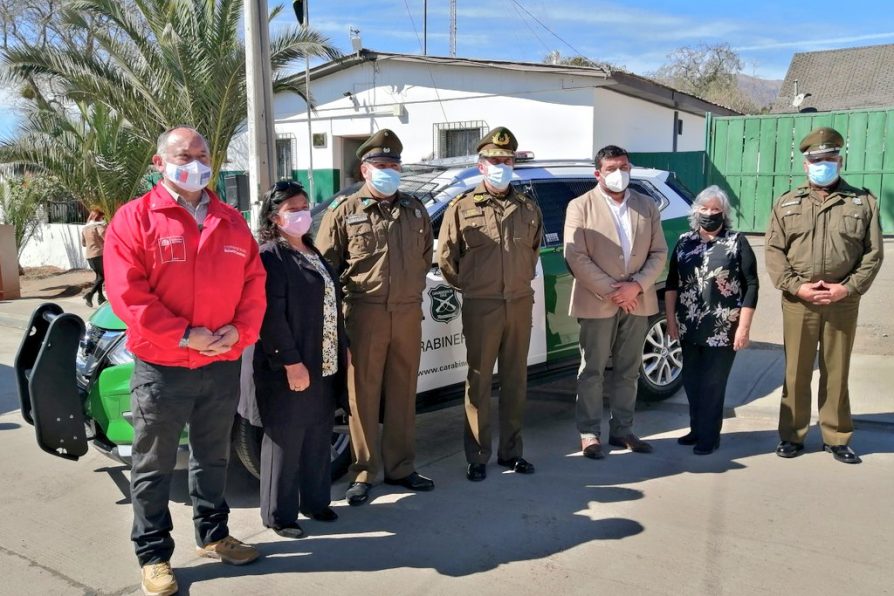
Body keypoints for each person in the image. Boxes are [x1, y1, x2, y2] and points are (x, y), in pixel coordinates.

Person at [104, 127, 266, 596]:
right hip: (163, 366)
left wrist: (239, 331)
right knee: (153, 464)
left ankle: (213, 535)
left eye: (201, 154)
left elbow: (254, 285)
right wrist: (182, 335)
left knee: (213, 456)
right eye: (183, 154)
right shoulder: (135, 220)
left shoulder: (231, 221)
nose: (194, 162)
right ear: (160, 163)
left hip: (220, 363)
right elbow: (127, 294)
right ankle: (153, 555)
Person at [317, 129, 435, 506]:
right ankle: (364, 471)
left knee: (402, 393)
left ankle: (401, 467)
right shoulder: (344, 212)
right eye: (381, 165)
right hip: (363, 313)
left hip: (406, 313)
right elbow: (323, 272)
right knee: (362, 395)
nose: (389, 171)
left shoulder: (415, 210)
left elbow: (424, 259)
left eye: (394, 165)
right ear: (364, 170)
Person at [765, 127, 883, 464]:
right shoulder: (787, 202)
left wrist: (847, 287)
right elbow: (774, 251)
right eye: (816, 159)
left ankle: (836, 436)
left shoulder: (863, 203)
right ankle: (792, 435)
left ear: (840, 161)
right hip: (799, 301)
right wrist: (795, 286)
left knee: (837, 370)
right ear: (805, 164)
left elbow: (872, 254)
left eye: (829, 159)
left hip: (842, 301)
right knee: (796, 370)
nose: (822, 164)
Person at [437, 126, 543, 481]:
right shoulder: (462, 208)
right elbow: (446, 259)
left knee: (516, 380)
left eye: (508, 160)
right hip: (482, 305)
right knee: (479, 380)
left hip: (519, 303)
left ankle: (512, 452)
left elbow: (533, 252)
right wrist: (474, 287)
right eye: (495, 160)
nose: (502, 165)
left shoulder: (528, 207)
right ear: (481, 166)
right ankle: (478, 456)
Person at [253, 180, 348, 538]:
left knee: (317, 435)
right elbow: (271, 316)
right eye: (293, 209)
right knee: (286, 440)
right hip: (289, 366)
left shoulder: (312, 250)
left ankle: (316, 501)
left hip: (323, 362)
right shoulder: (271, 256)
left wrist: (344, 347)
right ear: (276, 217)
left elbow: (330, 306)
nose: (302, 214)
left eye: (305, 206)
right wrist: (291, 362)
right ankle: (279, 514)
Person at [563, 145, 667, 459]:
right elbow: (575, 256)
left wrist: (635, 286)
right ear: (598, 173)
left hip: (637, 301)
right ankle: (589, 433)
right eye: (611, 168)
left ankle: (622, 430)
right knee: (592, 370)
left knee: (629, 369)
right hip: (598, 301)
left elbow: (658, 252)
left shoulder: (647, 205)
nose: (619, 173)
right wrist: (614, 290)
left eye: (623, 166)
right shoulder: (580, 206)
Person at [665, 186, 758, 455]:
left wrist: (743, 327)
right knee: (692, 381)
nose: (709, 214)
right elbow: (672, 283)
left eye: (715, 209)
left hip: (723, 327)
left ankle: (710, 435)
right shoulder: (684, 241)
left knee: (713, 384)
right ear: (695, 212)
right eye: (704, 209)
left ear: (724, 213)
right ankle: (697, 429)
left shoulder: (736, 241)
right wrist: (671, 320)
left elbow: (751, 284)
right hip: (689, 325)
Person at [81, 206, 107, 307]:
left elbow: (83, 243)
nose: (103, 219)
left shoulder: (85, 228)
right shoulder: (99, 226)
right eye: (102, 217)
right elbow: (106, 238)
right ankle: (90, 295)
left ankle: (100, 298)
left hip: (89, 256)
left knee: (98, 276)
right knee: (103, 276)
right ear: (98, 217)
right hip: (99, 254)